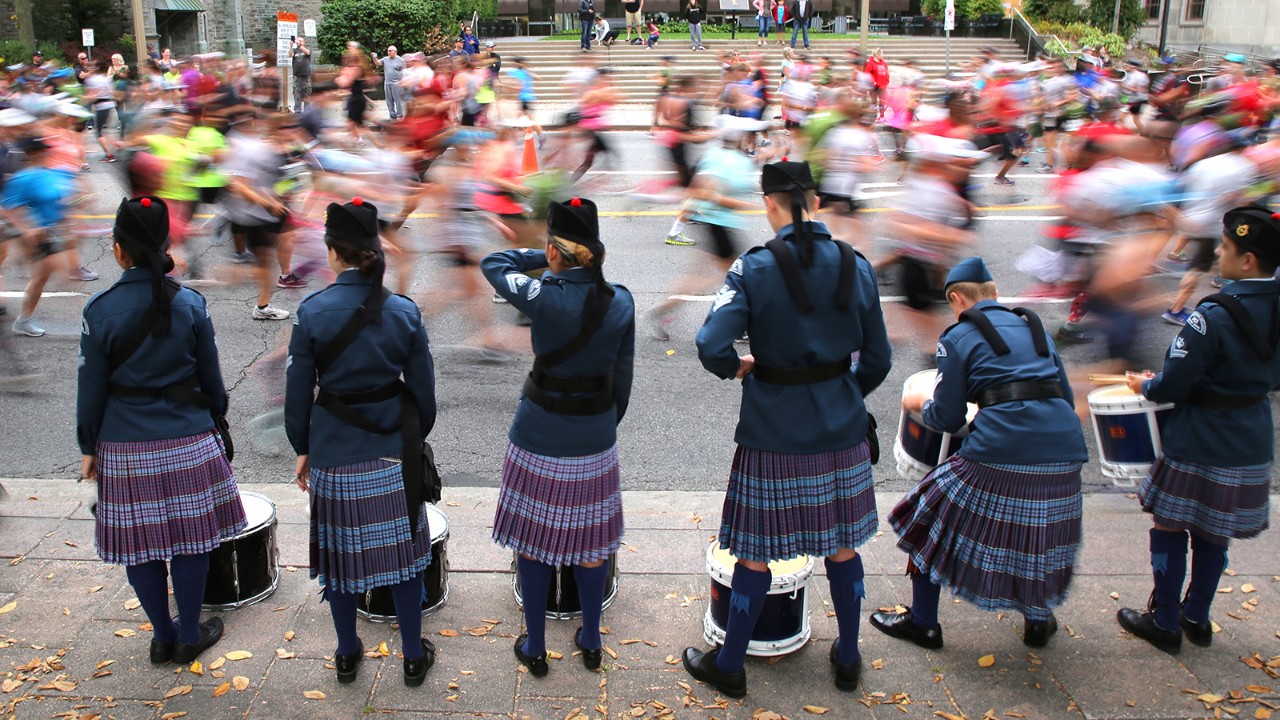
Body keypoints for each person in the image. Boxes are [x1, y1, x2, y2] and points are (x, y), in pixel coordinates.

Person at [683, 160, 892, 697]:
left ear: (769, 204)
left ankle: (731, 666)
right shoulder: (857, 264)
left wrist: (738, 368)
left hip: (772, 430)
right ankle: (847, 655)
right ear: (817, 202)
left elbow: (711, 345)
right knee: (843, 546)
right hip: (840, 429)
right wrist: (844, 394)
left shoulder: (752, 268)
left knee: (754, 550)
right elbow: (878, 358)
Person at [871, 256, 1087, 652]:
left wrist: (922, 400)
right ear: (995, 294)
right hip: (1066, 451)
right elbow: (1064, 398)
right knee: (1035, 536)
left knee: (925, 517)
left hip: (1001, 451)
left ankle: (923, 623)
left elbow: (948, 416)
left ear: (955, 299)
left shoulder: (958, 337)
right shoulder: (1036, 329)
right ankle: (1038, 620)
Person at [77, 196, 245, 666]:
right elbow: (212, 382)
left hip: (125, 445)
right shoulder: (190, 303)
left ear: (118, 250)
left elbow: (90, 387)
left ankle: (161, 635)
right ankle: (189, 633)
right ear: (166, 244)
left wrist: (88, 444)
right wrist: (216, 417)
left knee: (139, 542)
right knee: (193, 540)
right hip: (189, 439)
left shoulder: (100, 309)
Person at [285, 197, 438, 686]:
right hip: (394, 452)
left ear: (333, 253)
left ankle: (347, 652)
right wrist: (411, 439)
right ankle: (413, 654)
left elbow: (297, 392)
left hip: (333, 449)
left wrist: (302, 446)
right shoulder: (402, 311)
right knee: (406, 558)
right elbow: (424, 395)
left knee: (340, 560)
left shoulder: (312, 312)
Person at [481, 197, 635, 677]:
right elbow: (623, 377)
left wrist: (540, 256)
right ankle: (589, 638)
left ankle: (537, 648)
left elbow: (494, 262)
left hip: (538, 433)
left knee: (533, 542)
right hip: (593, 434)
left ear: (554, 250)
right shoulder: (622, 300)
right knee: (592, 545)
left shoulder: (542, 294)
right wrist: (604, 423)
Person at [1116, 207, 1280, 653]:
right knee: (1215, 531)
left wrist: (1144, 383)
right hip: (1250, 435)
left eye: (1226, 248)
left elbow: (1172, 384)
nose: (1219, 254)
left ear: (1247, 261)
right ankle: (1198, 617)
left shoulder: (1213, 314)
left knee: (1170, 524)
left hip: (1199, 436)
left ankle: (1165, 619)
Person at [372, 46, 407, 121]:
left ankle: (399, 115)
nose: (388, 52)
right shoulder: (385, 59)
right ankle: (392, 114)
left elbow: (405, 71)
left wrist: (403, 81)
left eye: (390, 51)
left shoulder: (401, 60)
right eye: (388, 51)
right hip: (387, 83)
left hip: (397, 83)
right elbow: (378, 63)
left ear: (395, 51)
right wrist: (374, 57)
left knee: (398, 100)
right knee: (389, 100)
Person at [292, 37, 313, 112]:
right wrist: (291, 46)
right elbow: (290, 55)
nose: (299, 42)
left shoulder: (307, 48)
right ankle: (297, 110)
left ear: (303, 42)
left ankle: (307, 110)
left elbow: (307, 52)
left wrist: (300, 46)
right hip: (297, 75)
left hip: (306, 75)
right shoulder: (294, 50)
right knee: (297, 92)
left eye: (301, 41)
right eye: (298, 41)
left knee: (307, 92)